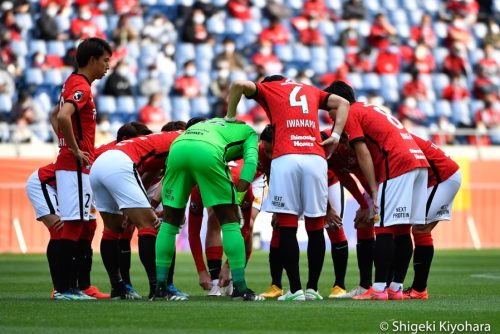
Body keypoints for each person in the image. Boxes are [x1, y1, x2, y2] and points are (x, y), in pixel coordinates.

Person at [225, 75, 350, 301]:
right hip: (315, 156)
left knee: (288, 226)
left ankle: (294, 290)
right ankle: (312, 289)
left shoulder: (269, 89)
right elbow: (344, 103)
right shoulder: (310, 89)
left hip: (286, 156)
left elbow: (239, 84)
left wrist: (231, 116)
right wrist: (336, 135)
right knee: (315, 226)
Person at [324, 81, 429, 301]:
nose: (330, 117)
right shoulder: (369, 108)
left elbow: (362, 152)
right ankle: (395, 288)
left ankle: (379, 289)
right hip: (418, 162)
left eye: (330, 108)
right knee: (402, 229)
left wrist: (373, 190)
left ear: (339, 102)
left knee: (383, 227)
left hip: (397, 164)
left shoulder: (350, 112)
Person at [155, 117, 264, 301]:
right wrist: (237, 198)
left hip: (178, 148)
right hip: (207, 153)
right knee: (230, 223)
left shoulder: (209, 124)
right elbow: (251, 164)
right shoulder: (249, 133)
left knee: (169, 224)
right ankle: (240, 288)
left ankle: (159, 289)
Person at [90, 125, 185, 300]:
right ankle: (158, 289)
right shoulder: (189, 141)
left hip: (100, 166)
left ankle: (118, 287)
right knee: (149, 226)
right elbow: (170, 178)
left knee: (112, 231)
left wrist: (133, 205)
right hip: (120, 164)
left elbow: (149, 175)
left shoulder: (166, 139)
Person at [51, 37, 112, 300]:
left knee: (87, 225)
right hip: (75, 166)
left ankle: (81, 285)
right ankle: (65, 289)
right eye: (105, 60)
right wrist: (74, 149)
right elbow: (63, 116)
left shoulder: (74, 83)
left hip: (78, 165)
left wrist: (65, 141)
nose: (108, 66)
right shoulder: (80, 87)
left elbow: (56, 117)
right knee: (75, 225)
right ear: (92, 60)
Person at [26, 162, 109, 300]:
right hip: (43, 184)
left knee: (89, 228)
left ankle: (83, 286)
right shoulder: (109, 158)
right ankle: (61, 288)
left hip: (80, 188)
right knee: (60, 230)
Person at [404, 135, 461, 299]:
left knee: (420, 228)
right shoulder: (397, 133)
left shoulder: (395, 137)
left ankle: (419, 290)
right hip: (435, 178)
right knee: (418, 228)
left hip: (443, 177)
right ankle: (418, 289)